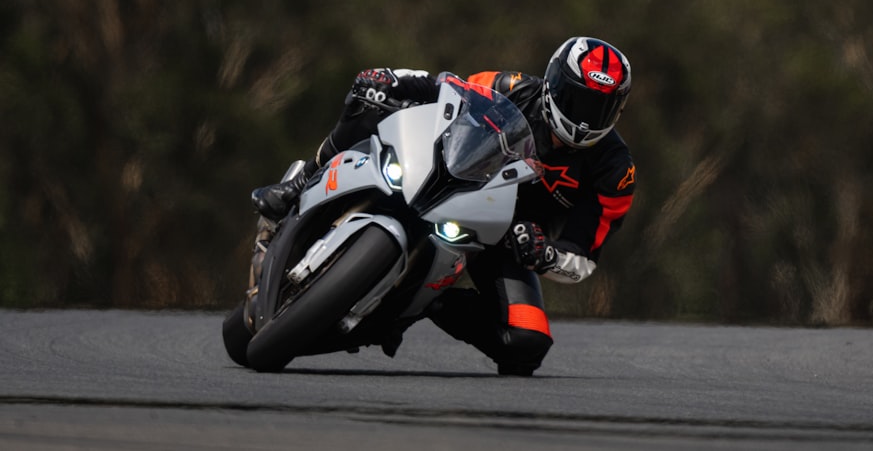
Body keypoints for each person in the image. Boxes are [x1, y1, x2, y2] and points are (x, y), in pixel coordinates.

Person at [251, 36, 636, 376]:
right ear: (552, 83)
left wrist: (544, 252)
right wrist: (393, 80)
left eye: (597, 108)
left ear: (617, 111)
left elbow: (584, 256)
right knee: (366, 101)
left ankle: (423, 303)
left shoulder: (616, 170)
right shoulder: (510, 87)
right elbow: (446, 87)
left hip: (504, 239)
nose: (584, 118)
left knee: (526, 342)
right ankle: (300, 184)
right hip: (447, 176)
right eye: (576, 99)